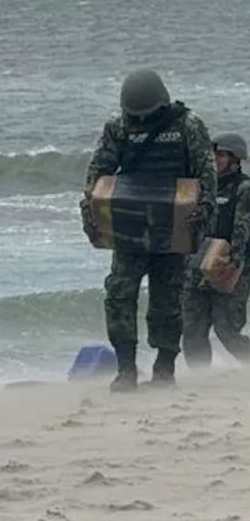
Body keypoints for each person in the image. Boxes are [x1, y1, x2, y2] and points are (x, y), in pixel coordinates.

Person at [80, 69, 216, 392]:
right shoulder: (118, 126)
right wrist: (90, 214)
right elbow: (98, 174)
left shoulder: (187, 125)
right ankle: (126, 367)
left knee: (168, 300)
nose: (138, 120)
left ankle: (165, 368)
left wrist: (203, 213)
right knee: (119, 293)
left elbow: (206, 173)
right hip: (130, 227)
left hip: (174, 225)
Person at [181, 132, 250, 367]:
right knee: (192, 330)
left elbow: (243, 228)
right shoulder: (203, 187)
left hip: (230, 267)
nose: (216, 159)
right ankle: (201, 378)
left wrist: (236, 263)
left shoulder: (244, 188)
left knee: (227, 330)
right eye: (214, 155)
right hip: (197, 265)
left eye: (222, 155)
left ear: (236, 158)